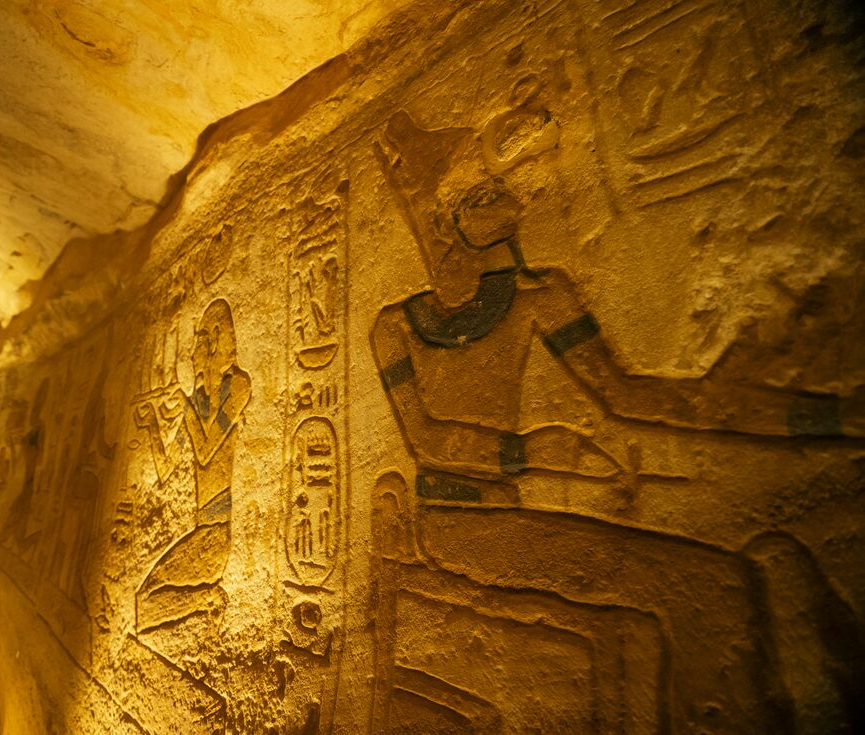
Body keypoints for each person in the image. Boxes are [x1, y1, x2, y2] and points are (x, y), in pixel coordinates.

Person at [368, 110, 863, 732]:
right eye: (480, 196)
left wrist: (817, 415)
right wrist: (530, 452)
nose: (506, 199)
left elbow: (630, 396)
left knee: (774, 561)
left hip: (510, 517)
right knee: (708, 585)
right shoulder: (395, 326)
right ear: (444, 223)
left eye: (497, 189)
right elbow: (427, 442)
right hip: (454, 528)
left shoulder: (543, 295)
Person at [134, 298, 251, 633]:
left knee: (146, 605)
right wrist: (152, 423)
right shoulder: (199, 396)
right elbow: (165, 467)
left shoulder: (237, 385)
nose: (192, 355)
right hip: (202, 530)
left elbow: (207, 450)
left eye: (198, 343)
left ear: (214, 342)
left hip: (217, 532)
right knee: (143, 604)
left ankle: (208, 599)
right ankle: (205, 599)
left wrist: (186, 409)